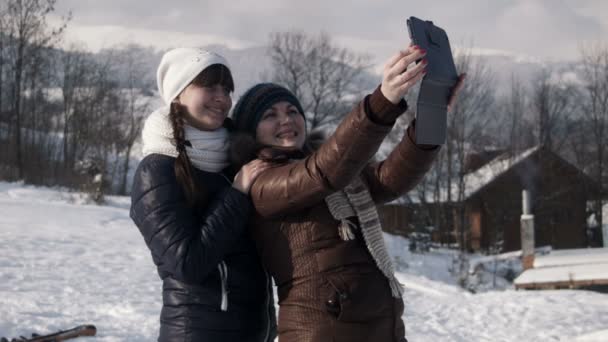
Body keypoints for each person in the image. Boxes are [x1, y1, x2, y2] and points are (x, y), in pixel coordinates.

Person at [231, 45, 463, 342]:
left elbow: (388, 179)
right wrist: (383, 101)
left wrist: (433, 117)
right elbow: (325, 171)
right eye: (269, 115)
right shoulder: (264, 184)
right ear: (251, 132)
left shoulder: (326, 173)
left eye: (292, 111)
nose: (285, 120)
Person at [129, 48, 276, 342]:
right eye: (209, 86)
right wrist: (236, 194)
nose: (222, 98)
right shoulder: (157, 169)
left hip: (251, 332)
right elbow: (187, 264)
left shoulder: (234, 160)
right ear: (178, 93)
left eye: (227, 89)